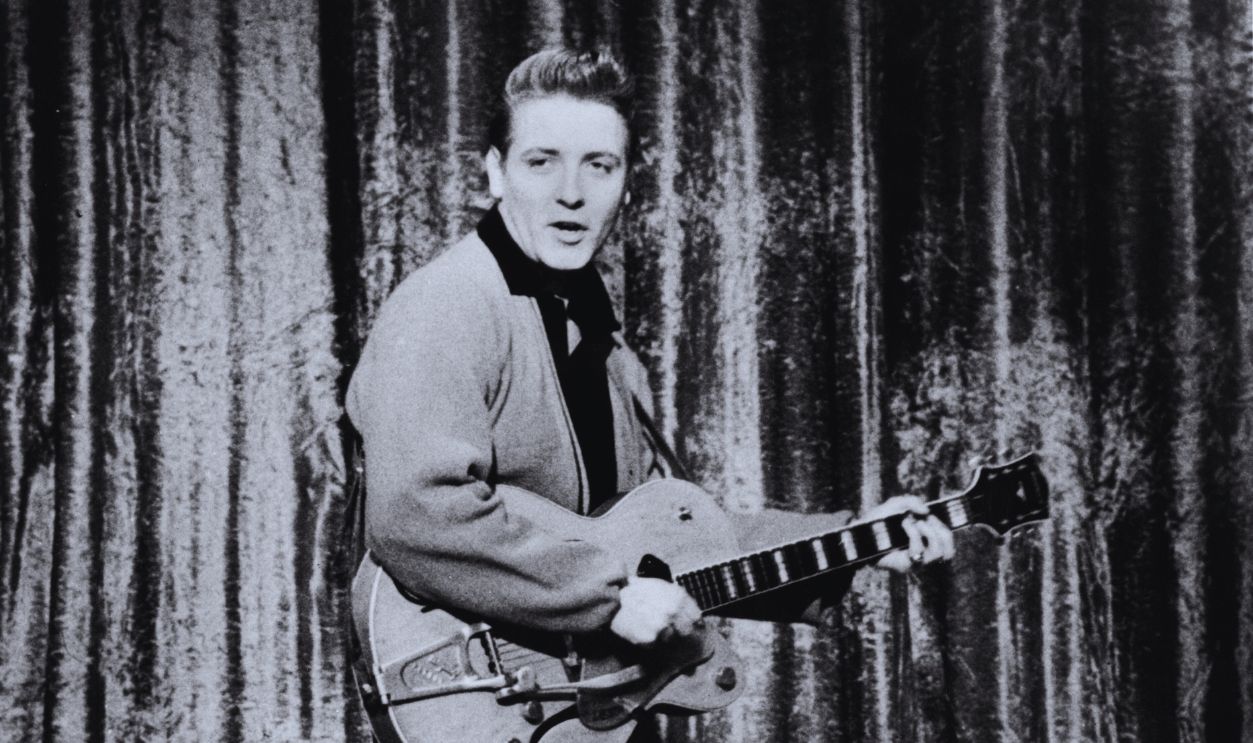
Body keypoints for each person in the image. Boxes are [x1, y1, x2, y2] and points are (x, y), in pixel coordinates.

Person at [345, 47, 954, 739]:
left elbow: (665, 549)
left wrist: (857, 536)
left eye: (598, 165)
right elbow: (417, 513)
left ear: (627, 186)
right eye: (540, 161)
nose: (569, 191)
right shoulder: (448, 304)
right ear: (494, 172)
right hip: (482, 690)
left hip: (580, 705)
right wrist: (605, 601)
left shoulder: (600, 340)